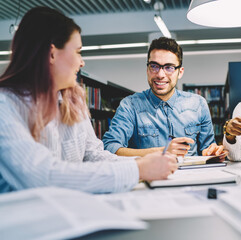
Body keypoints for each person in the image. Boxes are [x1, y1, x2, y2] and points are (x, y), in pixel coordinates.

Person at [0, 6, 178, 194]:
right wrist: (139, 169)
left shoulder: (73, 101)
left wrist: (144, 164)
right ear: (52, 54)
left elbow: (93, 155)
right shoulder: (6, 106)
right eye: (78, 51)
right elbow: (41, 175)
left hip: (72, 210)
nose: (82, 62)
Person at [102, 37, 224, 157]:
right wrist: (163, 151)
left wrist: (213, 152)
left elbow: (207, 149)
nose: (160, 75)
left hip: (191, 175)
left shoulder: (198, 104)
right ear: (147, 69)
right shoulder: (130, 105)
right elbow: (110, 148)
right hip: (150, 176)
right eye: (154, 66)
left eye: (169, 67)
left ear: (180, 72)